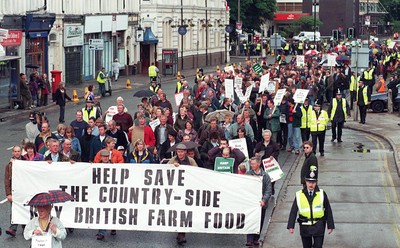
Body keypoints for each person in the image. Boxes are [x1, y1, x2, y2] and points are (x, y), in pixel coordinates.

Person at [287, 166, 334, 248]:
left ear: (316, 182)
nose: (311, 184)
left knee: (318, 246)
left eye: (313, 182)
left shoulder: (322, 194)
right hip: (305, 226)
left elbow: (328, 210)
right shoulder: (299, 195)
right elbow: (294, 210)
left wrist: (330, 225)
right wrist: (291, 225)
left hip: (319, 226)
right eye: (309, 182)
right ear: (305, 182)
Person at [168, 143, 198, 245]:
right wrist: (173, 167)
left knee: (184, 211)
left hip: (187, 190)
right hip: (176, 190)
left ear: (185, 152)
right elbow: (165, 170)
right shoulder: (173, 160)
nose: (180, 154)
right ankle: (179, 232)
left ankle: (182, 234)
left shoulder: (191, 161)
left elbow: (197, 172)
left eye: (181, 152)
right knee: (177, 211)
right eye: (178, 151)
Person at [246, 156, 272, 247]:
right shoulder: (248, 174)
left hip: (261, 203)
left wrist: (264, 200)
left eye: (253, 164)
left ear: (258, 164)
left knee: (260, 221)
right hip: (251, 203)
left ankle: (256, 239)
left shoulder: (265, 175)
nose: (251, 165)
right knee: (250, 220)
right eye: (251, 164)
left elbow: (269, 190)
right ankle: (249, 240)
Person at [4, 146, 26, 237]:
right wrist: (8, 194)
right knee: (15, 208)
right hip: (15, 190)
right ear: (13, 152)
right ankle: (13, 228)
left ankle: (25, 226)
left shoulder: (26, 162)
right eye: (15, 151)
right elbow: (7, 180)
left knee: (26, 207)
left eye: (18, 151)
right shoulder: (9, 165)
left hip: (24, 189)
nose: (17, 153)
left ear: (21, 152)